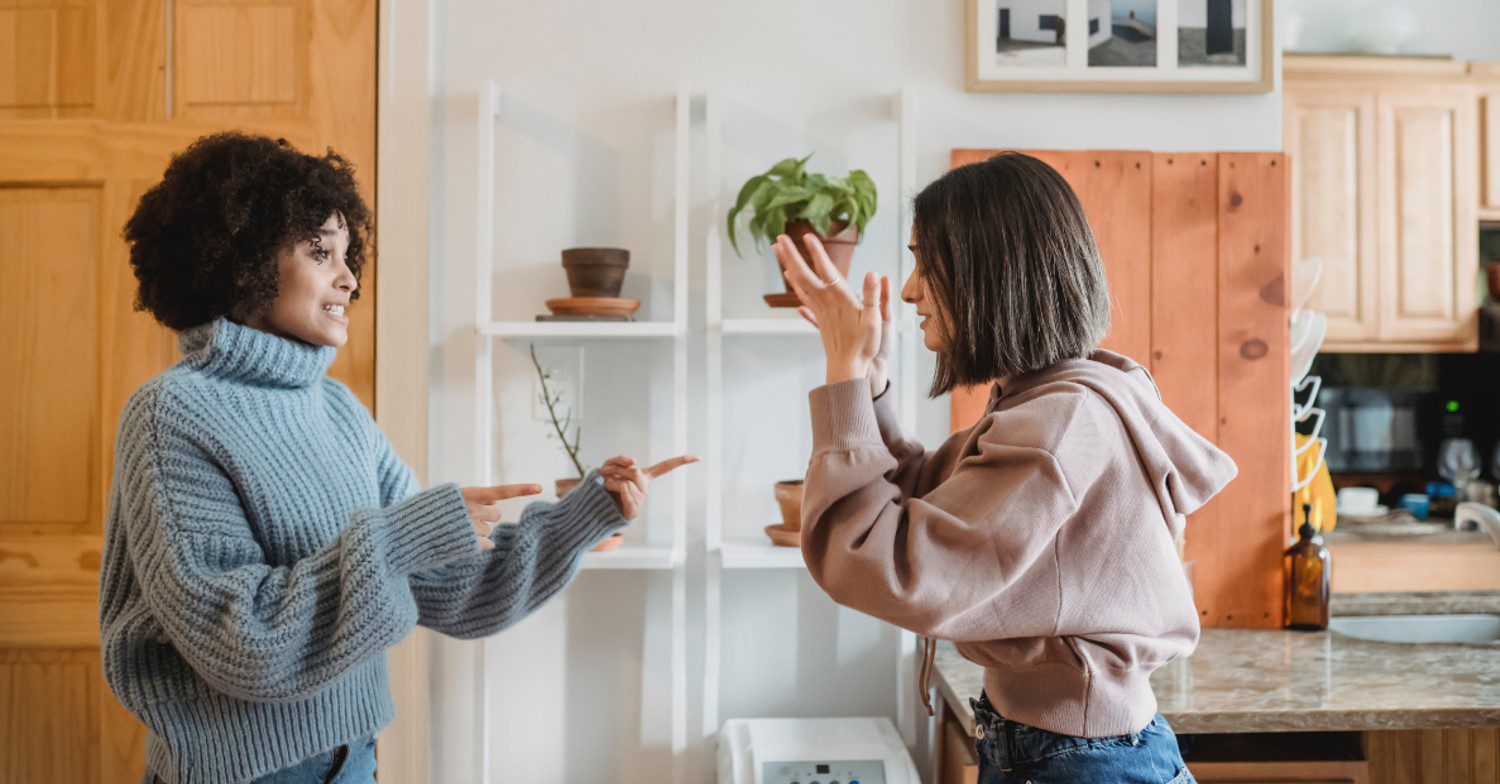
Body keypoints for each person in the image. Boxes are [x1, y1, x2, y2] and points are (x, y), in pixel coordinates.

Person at [98, 132, 696, 784]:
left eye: (348, 254)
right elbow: (242, 641)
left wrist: (587, 513)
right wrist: (404, 536)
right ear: (243, 259)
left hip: (356, 761)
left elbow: (458, 587)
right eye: (320, 252)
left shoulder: (339, 411)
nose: (349, 279)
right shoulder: (170, 416)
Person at [776, 152, 1236, 784]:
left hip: (1077, 763)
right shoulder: (1056, 403)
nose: (910, 289)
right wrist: (869, 384)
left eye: (924, 261)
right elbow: (928, 492)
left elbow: (877, 558)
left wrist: (842, 377)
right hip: (1067, 750)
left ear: (990, 271)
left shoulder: (1060, 424)